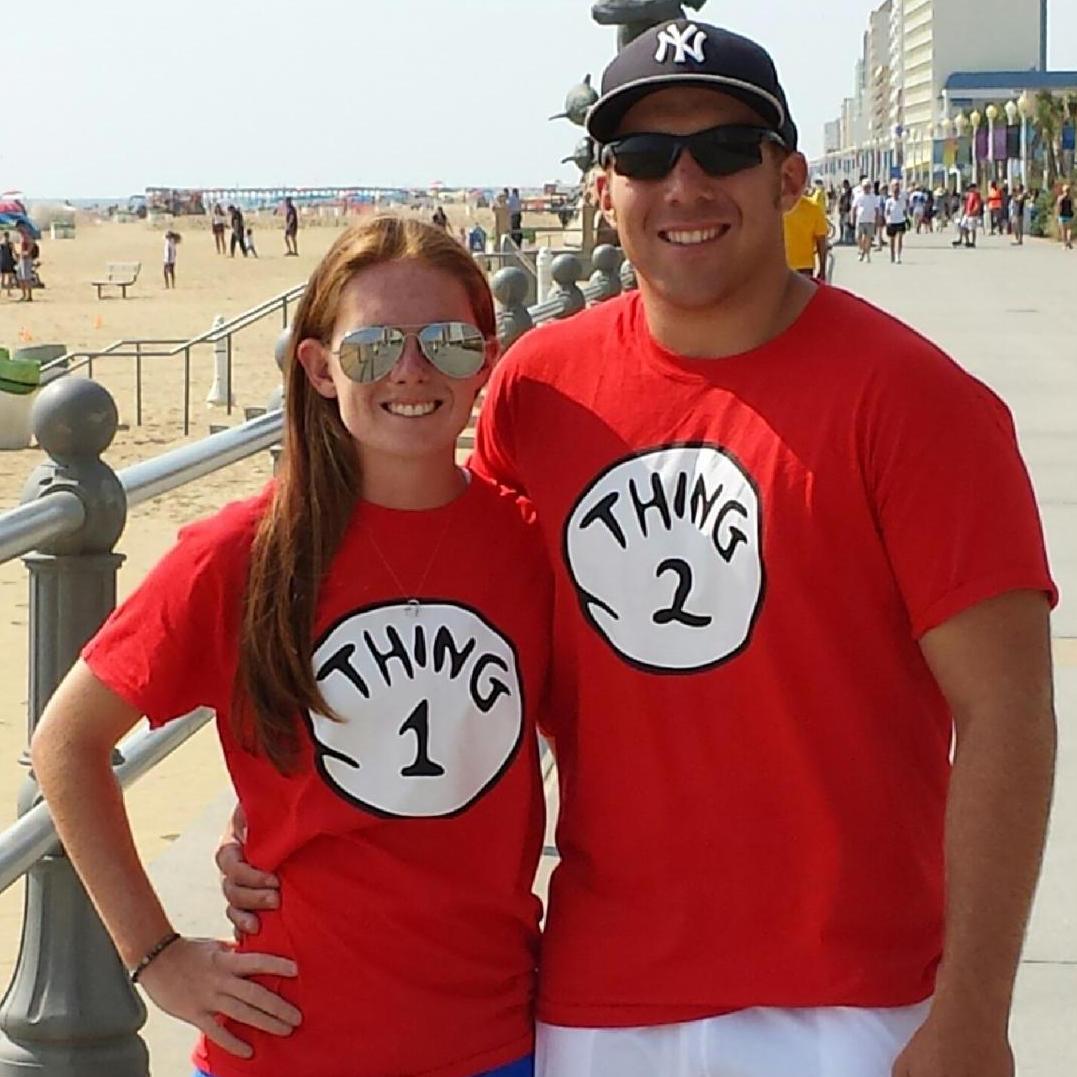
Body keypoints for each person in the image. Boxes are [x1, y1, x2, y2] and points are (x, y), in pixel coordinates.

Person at [226, 20, 1057, 1077]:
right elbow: (463, 636)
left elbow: (1010, 714)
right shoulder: (538, 387)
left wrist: (974, 1009)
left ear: (789, 174)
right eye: (646, 157)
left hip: (859, 998)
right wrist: (299, 834)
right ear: (602, 191)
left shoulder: (919, 402)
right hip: (597, 998)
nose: (685, 184)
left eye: (724, 148)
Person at [31, 217, 551, 1077]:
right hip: (277, 1042)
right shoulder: (242, 552)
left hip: (494, 1040)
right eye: (373, 347)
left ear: (487, 355)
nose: (412, 371)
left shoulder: (530, 542)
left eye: (449, 342)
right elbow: (67, 742)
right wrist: (156, 954)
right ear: (316, 367)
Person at [782, 188, 828, 279]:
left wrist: (822, 269)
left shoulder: (813, 208)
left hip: (804, 267)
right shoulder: (772, 208)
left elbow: (821, 241)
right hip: (779, 267)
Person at [851, 177, 879, 262]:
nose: (867, 188)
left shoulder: (873, 196)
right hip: (860, 219)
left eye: (868, 186)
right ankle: (861, 250)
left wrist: (877, 219)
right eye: (865, 186)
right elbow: (854, 208)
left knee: (868, 238)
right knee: (859, 238)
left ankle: (867, 254)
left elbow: (877, 208)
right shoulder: (859, 196)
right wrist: (853, 218)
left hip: (870, 219)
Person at [884, 178, 909, 264]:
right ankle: (892, 255)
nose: (896, 190)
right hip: (891, 222)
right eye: (894, 187)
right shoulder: (889, 201)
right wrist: (887, 220)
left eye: (897, 188)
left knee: (899, 239)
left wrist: (907, 219)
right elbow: (887, 212)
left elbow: (905, 210)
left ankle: (898, 256)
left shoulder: (902, 200)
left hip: (900, 221)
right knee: (892, 240)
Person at [953, 183, 982, 248]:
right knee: (962, 227)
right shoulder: (969, 195)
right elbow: (966, 204)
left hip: (973, 215)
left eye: (971, 188)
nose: (969, 189)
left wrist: (973, 211)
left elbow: (977, 205)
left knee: (972, 229)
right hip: (967, 214)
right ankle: (966, 241)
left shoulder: (976, 195)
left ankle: (973, 242)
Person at [15, 228, 34, 301]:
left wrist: (27, 252)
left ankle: (29, 296)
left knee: (26, 277)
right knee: (20, 277)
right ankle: (24, 295)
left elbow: (32, 243)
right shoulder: (21, 237)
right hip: (21, 259)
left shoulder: (27, 237)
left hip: (26, 259)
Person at [1056, 184, 1073, 249]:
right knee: (1069, 229)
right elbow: (1072, 206)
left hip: (1062, 216)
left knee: (1063, 231)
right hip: (1068, 215)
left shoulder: (1060, 197)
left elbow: (1058, 204)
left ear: (1063, 190)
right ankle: (1069, 241)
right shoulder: (1070, 198)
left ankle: (1064, 244)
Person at [837, 178, 853, 244]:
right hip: (842, 210)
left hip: (847, 210)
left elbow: (848, 201)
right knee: (841, 224)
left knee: (847, 224)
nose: (843, 185)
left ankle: (848, 238)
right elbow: (839, 201)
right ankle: (841, 237)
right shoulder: (842, 191)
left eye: (844, 184)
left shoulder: (850, 192)